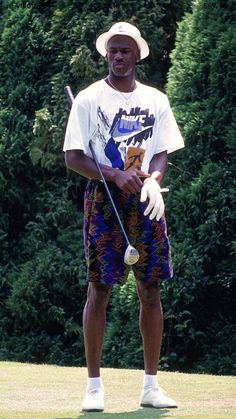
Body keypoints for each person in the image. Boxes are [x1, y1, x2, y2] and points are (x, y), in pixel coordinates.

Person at [63, 21, 184, 412]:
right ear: (107, 55)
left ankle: (151, 386)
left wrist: (154, 180)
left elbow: (163, 149)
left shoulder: (156, 100)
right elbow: (74, 157)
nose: (117, 56)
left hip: (146, 200)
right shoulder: (88, 99)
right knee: (99, 289)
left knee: (151, 290)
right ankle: (94, 387)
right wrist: (115, 175)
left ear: (137, 55)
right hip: (104, 199)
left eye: (124, 50)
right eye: (112, 50)